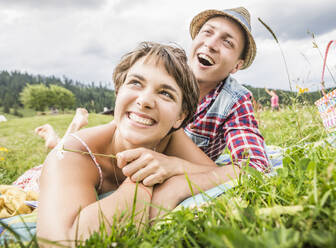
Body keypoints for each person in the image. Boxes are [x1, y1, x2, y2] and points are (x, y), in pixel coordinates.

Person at [23, 6, 270, 220]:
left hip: (155, 167)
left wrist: (174, 170)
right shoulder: (161, 69)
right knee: (60, 156)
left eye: (227, 42)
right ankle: (59, 139)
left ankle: (63, 137)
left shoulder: (234, 101)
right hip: (109, 164)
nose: (212, 44)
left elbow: (254, 167)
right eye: (207, 32)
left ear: (237, 65)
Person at [36, 42, 216, 245]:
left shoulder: (170, 136)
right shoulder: (72, 154)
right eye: (136, 83)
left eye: (165, 93)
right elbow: (60, 242)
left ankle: (63, 131)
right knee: (55, 151)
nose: (145, 100)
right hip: (39, 177)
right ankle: (56, 137)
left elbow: (237, 173)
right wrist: (141, 183)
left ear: (179, 117)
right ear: (118, 91)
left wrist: (176, 174)